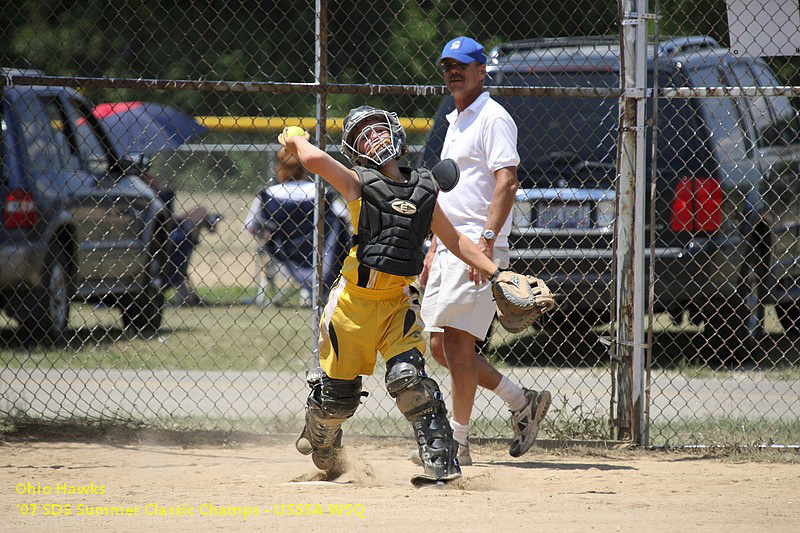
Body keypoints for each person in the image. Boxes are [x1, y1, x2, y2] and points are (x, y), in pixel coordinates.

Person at [279, 105, 502, 486]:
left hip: (398, 302)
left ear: (397, 136)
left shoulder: (424, 188)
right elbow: (314, 159)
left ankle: (442, 466)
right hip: (353, 306)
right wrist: (295, 138)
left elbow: (455, 240)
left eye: (378, 130)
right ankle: (321, 437)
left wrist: (497, 272)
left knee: (410, 380)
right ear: (356, 150)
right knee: (338, 400)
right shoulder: (357, 183)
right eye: (364, 136)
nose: (374, 138)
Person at [416, 36, 552, 466]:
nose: (453, 72)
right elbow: (450, 194)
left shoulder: (494, 118)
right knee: (440, 345)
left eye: (463, 65)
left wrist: (487, 243)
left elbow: (506, 182)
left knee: (457, 342)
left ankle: (456, 444)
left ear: (481, 71)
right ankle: (521, 400)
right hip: (449, 244)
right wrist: (433, 249)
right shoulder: (456, 121)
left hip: (477, 243)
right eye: (447, 66)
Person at [244, 147, 350, 306]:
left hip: (284, 253)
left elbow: (250, 226)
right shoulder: (321, 192)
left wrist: (268, 233)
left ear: (279, 168)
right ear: (306, 169)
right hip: (322, 252)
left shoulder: (269, 195)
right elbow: (343, 217)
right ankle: (319, 292)